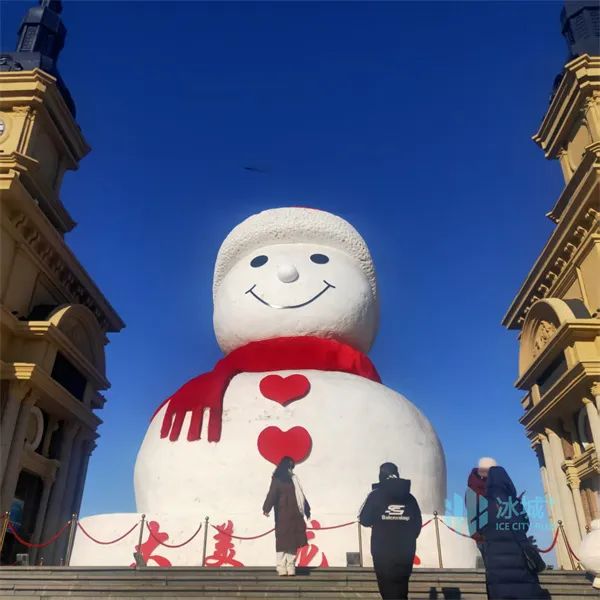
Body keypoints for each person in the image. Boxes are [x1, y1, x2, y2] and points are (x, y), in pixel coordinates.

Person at [480, 465, 548, 599]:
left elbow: (480, 529)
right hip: (519, 562)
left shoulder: (482, 505)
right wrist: (518, 504)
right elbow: (524, 525)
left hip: (495, 564)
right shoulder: (513, 503)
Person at [359, 462, 422, 600]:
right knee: (402, 590)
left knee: (387, 590)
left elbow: (364, 519)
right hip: (406, 551)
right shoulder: (410, 498)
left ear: (381, 475)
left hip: (382, 551)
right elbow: (417, 525)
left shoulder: (375, 496)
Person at [262, 456, 311, 576]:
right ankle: (288, 567)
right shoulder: (289, 480)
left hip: (285, 516)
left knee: (285, 542)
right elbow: (273, 495)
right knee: (289, 543)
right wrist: (266, 508)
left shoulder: (282, 479)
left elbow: (272, 495)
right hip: (290, 515)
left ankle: (284, 567)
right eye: (290, 466)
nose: (291, 469)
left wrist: (266, 508)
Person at [466, 457, 497, 566]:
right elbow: (472, 514)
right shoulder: (474, 489)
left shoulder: (494, 486)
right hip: (484, 537)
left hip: (494, 534)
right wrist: (478, 536)